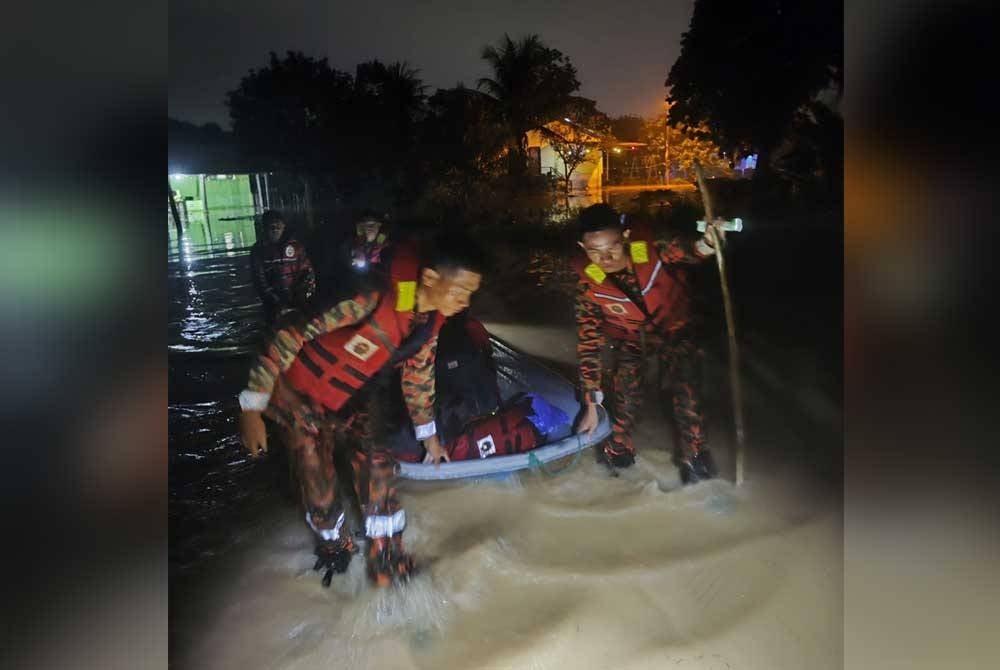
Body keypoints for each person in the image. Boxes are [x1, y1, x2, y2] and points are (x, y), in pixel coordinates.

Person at [237, 232, 485, 587]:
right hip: (299, 392)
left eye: (470, 294)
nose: (465, 302)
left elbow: (418, 375)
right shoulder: (369, 296)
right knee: (315, 474)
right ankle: (334, 546)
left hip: (354, 393)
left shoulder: (429, 322)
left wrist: (428, 433)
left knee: (378, 465)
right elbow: (288, 334)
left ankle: (387, 557)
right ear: (430, 278)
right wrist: (251, 407)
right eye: (460, 291)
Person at [572, 203, 724, 483]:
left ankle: (695, 454)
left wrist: (708, 243)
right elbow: (588, 341)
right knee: (624, 392)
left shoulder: (646, 249)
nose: (606, 258)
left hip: (674, 329)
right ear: (583, 247)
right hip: (632, 337)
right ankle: (618, 446)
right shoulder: (588, 281)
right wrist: (591, 402)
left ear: (625, 236)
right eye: (594, 252)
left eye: (613, 247)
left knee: (688, 391)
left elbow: (686, 251)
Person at [250, 210, 316, 325]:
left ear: (284, 226)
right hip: (273, 305)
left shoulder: (296, 247)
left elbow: (308, 273)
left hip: (298, 301)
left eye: (278, 226)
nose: (275, 230)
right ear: (264, 228)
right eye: (271, 227)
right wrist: (276, 302)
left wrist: (302, 296)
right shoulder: (258, 251)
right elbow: (259, 281)